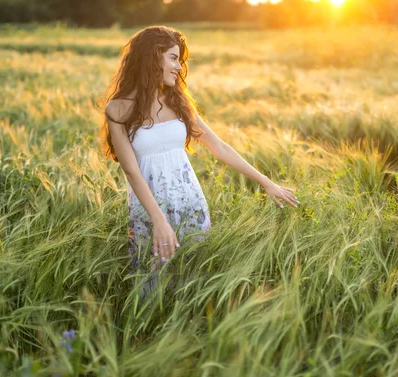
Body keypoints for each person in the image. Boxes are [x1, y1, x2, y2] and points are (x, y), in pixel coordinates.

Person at [99, 26, 300, 294]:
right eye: (173, 58)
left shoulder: (177, 101)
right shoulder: (118, 109)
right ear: (153, 57)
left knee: (193, 282)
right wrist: (158, 220)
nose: (178, 68)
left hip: (189, 205)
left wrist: (266, 182)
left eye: (179, 61)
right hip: (149, 213)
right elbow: (132, 171)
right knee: (151, 288)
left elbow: (219, 147)